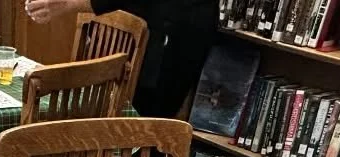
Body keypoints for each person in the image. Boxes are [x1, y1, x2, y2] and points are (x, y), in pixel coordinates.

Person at [24, 0, 219, 121]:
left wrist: (68, 3)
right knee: (125, 136)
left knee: (141, 142)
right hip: (151, 24)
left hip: (174, 33)